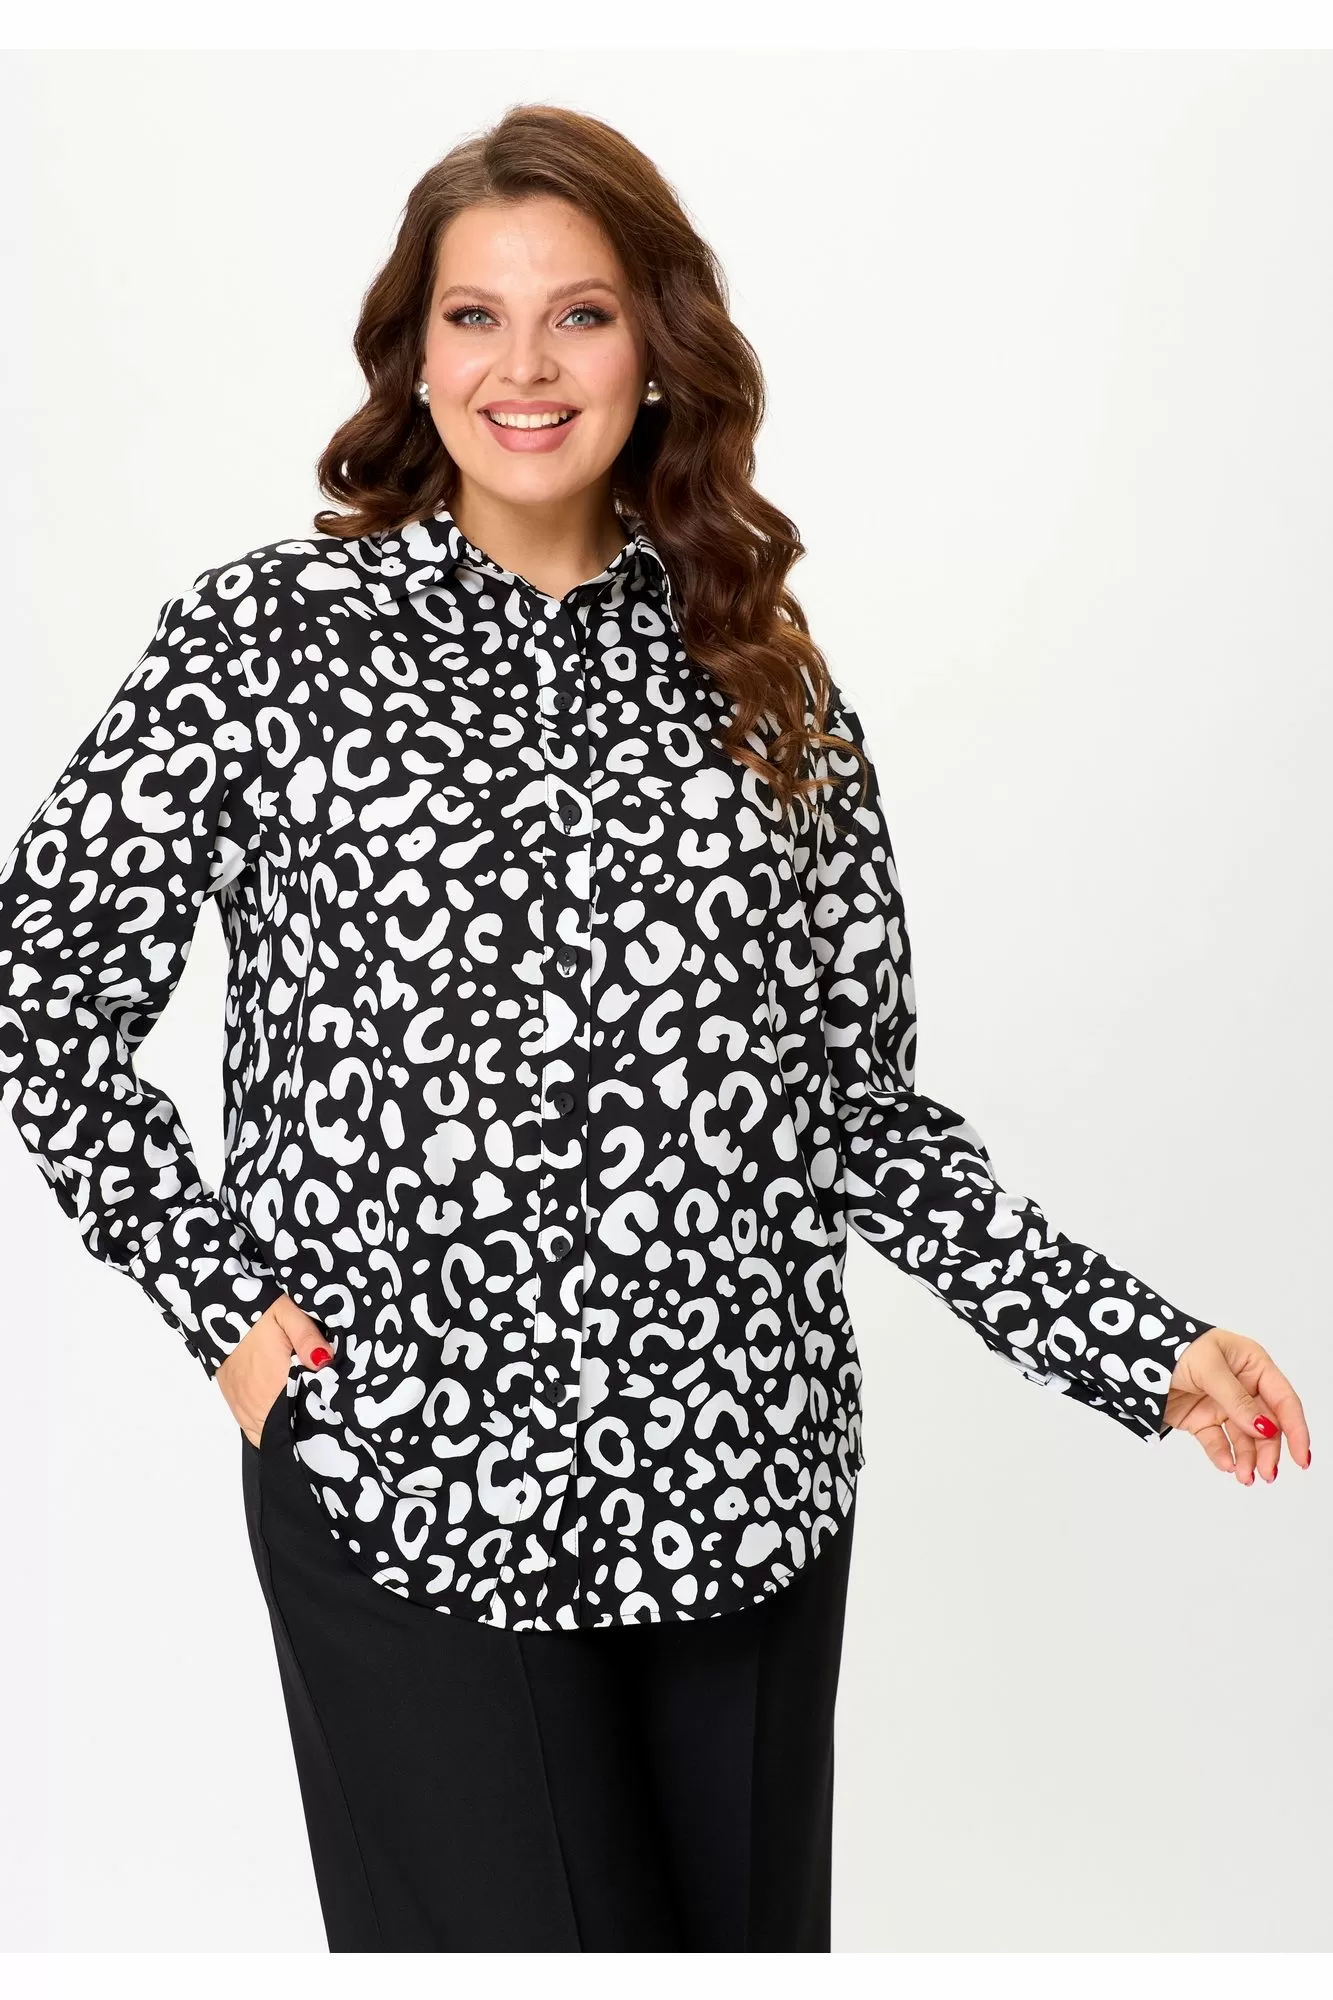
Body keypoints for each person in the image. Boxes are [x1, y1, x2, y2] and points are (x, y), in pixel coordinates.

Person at [0, 103, 1311, 1954]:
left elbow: (855, 1115)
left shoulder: (763, 671)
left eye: (582, 315)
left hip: (747, 1486)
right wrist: (223, 1312)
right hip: (412, 1482)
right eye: (475, 317)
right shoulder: (269, 641)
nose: (524, 368)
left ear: (659, 346)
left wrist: (1139, 1346)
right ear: (415, 352)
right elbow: (45, 996)